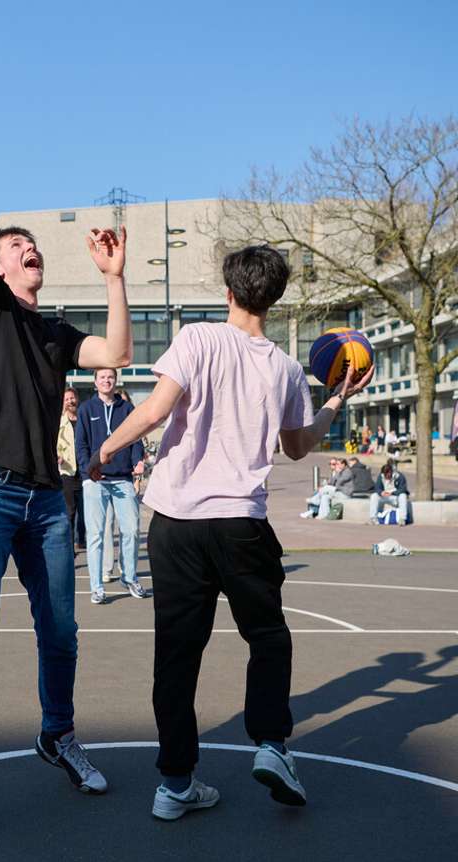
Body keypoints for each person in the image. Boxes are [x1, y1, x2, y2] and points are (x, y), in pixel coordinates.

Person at [0, 69, 134, 853]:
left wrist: (115, 279)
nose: (29, 250)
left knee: (63, 633)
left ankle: (58, 735)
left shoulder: (59, 331)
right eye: (19, 247)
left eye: (35, 247)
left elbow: (118, 349)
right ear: (0, 270)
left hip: (45, 497)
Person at [89, 245, 372, 821]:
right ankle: (271, 744)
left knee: (176, 654)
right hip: (241, 522)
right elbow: (297, 447)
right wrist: (335, 402)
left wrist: (106, 449)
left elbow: (155, 411)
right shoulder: (288, 368)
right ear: (276, 298)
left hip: (176, 522)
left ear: (228, 292)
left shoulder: (196, 339)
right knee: (267, 637)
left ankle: (174, 784)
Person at [76, 369, 146, 602]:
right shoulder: (86, 409)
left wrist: (137, 460)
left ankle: (129, 577)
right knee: (95, 535)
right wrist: (88, 472)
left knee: (132, 530)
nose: (106, 381)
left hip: (123, 479)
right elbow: (81, 444)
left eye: (110, 377)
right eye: (102, 377)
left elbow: (136, 437)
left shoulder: (126, 409)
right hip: (95, 481)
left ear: (116, 381)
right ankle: (97, 586)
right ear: (95, 382)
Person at [57, 387, 86, 552]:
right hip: (67, 471)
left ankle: (80, 539)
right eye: (67, 399)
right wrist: (57, 456)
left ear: (77, 399)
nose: (70, 401)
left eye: (72, 398)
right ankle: (69, 547)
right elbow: (54, 443)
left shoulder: (83, 419)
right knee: (70, 511)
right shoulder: (60, 422)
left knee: (84, 511)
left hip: (84, 470)